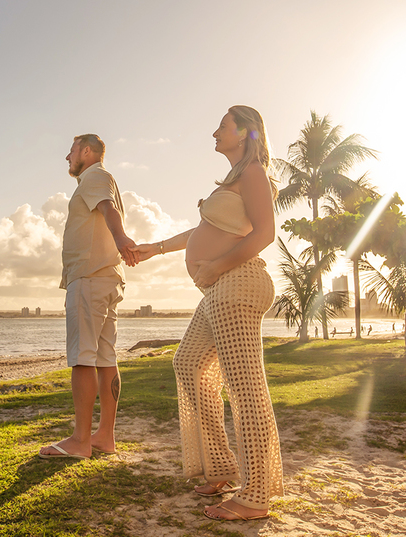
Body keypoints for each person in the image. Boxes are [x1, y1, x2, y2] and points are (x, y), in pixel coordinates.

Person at [135, 105, 284, 521]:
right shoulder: (234, 180)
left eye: (222, 127)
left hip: (238, 283)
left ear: (245, 133)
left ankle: (255, 495)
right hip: (220, 288)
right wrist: (155, 248)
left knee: (244, 387)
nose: (214, 133)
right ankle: (221, 466)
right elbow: (202, 233)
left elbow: (266, 232)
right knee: (188, 363)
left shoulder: (253, 173)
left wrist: (218, 265)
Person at [39, 134, 138, 459]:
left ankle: (80, 440)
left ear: (85, 151)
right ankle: (104, 437)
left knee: (82, 357)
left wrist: (122, 238)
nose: (67, 157)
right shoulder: (101, 178)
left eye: (70, 151)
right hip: (107, 278)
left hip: (90, 277)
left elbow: (109, 210)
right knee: (105, 357)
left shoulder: (94, 175)